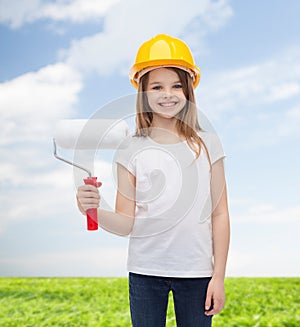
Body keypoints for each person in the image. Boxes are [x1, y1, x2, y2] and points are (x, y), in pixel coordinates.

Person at [76, 34, 230, 327]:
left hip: (197, 273)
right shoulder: (130, 149)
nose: (167, 94)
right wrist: (93, 210)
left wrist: (218, 276)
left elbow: (220, 214)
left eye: (176, 86)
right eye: (157, 86)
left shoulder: (208, 144)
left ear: (188, 91)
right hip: (146, 272)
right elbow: (126, 222)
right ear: (143, 92)